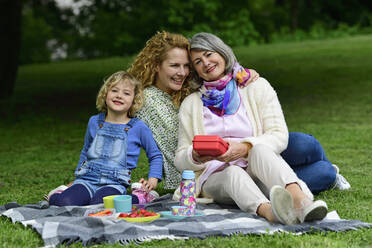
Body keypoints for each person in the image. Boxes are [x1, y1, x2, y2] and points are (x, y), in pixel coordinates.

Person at [128, 31, 350, 193]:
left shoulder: (192, 87)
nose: (183, 72)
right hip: (212, 167)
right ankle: (322, 177)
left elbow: (217, 78)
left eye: (186, 66)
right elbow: (178, 147)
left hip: (250, 149)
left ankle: (307, 176)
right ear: (156, 66)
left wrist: (244, 75)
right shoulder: (150, 100)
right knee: (323, 172)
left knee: (304, 144)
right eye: (175, 66)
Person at [172, 32, 329, 224]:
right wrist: (196, 155)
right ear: (195, 70)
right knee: (233, 173)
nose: (206, 62)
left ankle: (300, 202)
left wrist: (245, 147)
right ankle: (272, 213)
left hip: (256, 169)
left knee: (259, 149)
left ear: (222, 52)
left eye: (209, 54)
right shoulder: (191, 104)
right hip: (215, 177)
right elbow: (180, 158)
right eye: (198, 61)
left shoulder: (256, 86)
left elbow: (279, 135)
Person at [47, 71, 163, 206]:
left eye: (126, 93)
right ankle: (60, 194)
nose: (119, 96)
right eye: (114, 90)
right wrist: (76, 179)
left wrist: (153, 180)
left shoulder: (138, 127)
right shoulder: (94, 122)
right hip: (86, 180)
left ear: (134, 100)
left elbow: (155, 156)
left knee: (101, 206)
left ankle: (141, 197)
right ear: (105, 94)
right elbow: (86, 151)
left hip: (114, 184)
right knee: (65, 203)